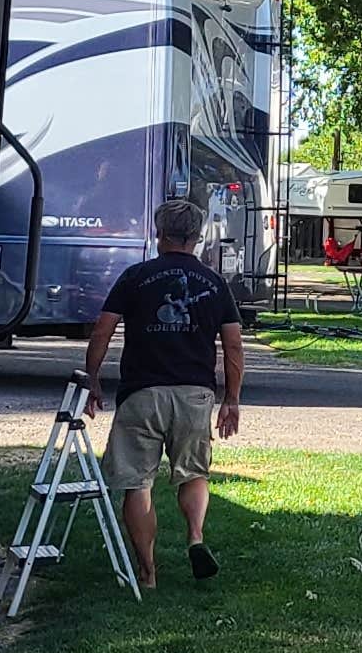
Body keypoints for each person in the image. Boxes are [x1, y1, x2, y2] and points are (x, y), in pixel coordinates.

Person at [83, 196, 244, 589]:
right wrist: (231, 399)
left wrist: (92, 378)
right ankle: (195, 537)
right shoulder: (215, 283)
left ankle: (148, 572)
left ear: (159, 234)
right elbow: (233, 346)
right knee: (193, 473)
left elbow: (103, 330)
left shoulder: (135, 276)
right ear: (197, 237)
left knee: (137, 482)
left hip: (142, 393)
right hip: (195, 395)